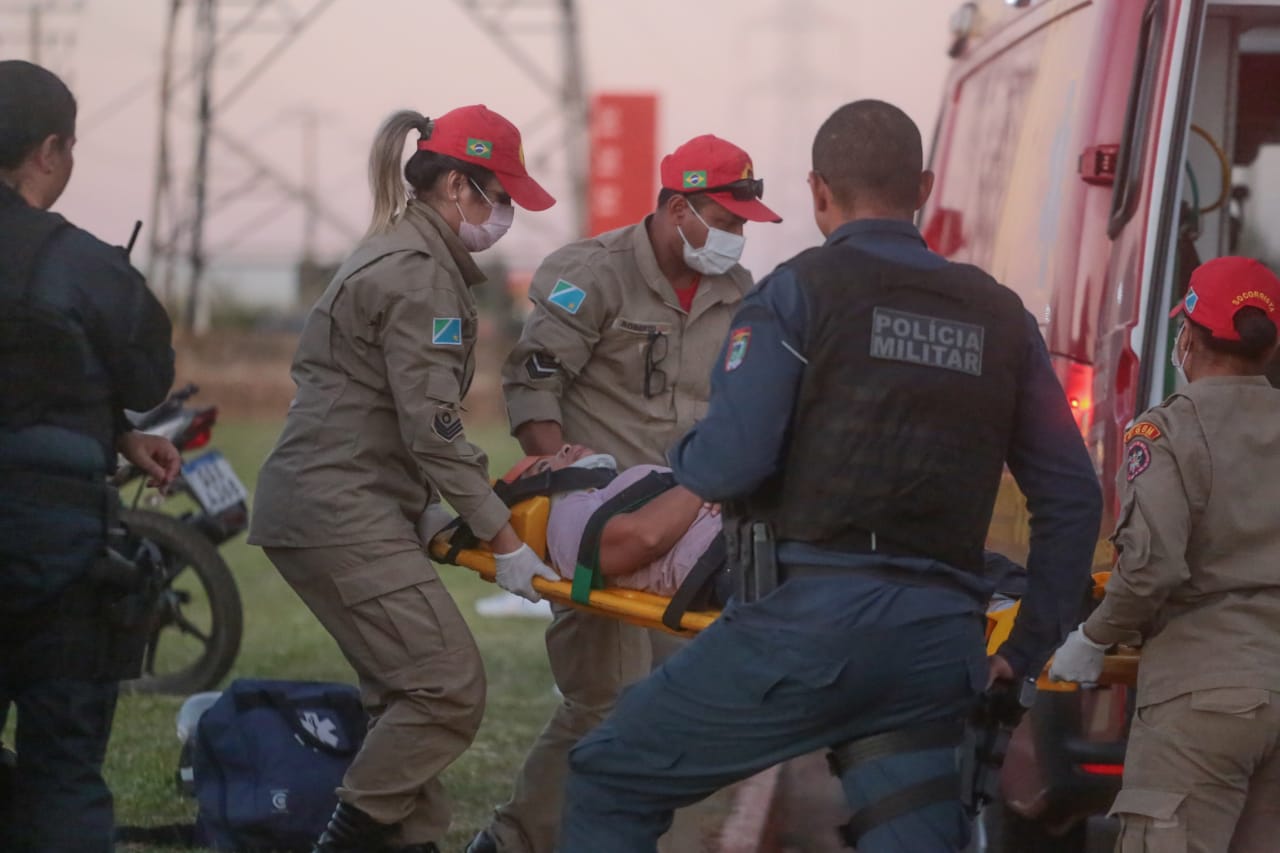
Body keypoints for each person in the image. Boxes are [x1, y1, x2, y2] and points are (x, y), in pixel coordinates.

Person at [558, 99, 1103, 853]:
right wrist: (1031, 640)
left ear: (818, 192)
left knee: (610, 774)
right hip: (936, 650)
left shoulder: (796, 292)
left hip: (803, 632)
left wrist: (681, 461)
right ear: (925, 185)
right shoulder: (1001, 316)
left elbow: (731, 461)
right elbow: (1073, 495)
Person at [247, 104, 556, 853]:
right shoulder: (418, 275)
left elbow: (381, 408)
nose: (506, 214)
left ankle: (407, 842)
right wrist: (502, 535)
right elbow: (436, 426)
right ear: (456, 185)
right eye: (500, 196)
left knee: (402, 693)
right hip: (337, 506)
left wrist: (418, 508)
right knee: (448, 687)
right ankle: (345, 840)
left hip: (346, 499)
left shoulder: (402, 253)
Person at [472, 134, 782, 853]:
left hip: (689, 539)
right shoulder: (592, 274)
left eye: (742, 225)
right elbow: (533, 382)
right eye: (727, 221)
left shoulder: (736, 294)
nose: (736, 237)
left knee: (677, 716)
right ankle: (512, 841)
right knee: (602, 704)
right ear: (679, 209)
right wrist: (565, 480)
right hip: (605, 535)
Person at [0, 61, 179, 853]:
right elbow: (148, 373)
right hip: (50, 552)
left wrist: (106, 430)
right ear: (48, 150)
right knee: (63, 771)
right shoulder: (79, 262)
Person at [1049, 256, 1280, 853]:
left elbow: (1153, 568)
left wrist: (1093, 638)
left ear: (1190, 339)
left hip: (1201, 699)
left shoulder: (1168, 432)